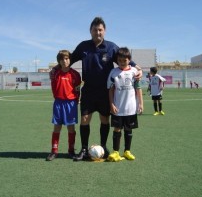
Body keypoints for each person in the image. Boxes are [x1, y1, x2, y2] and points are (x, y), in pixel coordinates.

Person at [50, 17, 142, 161]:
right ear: (90, 31)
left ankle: (104, 147)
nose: (97, 32)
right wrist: (55, 68)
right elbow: (69, 59)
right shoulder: (83, 46)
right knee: (85, 119)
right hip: (88, 91)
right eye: (95, 30)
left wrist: (138, 69)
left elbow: (125, 58)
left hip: (105, 92)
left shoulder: (111, 47)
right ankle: (84, 149)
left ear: (104, 31)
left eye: (100, 30)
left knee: (104, 119)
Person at [107, 47, 143, 162]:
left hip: (131, 108)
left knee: (128, 130)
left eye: (125, 60)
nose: (122, 63)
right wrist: (111, 104)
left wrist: (141, 104)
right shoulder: (113, 72)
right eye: (120, 61)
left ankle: (127, 151)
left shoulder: (134, 72)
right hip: (118, 107)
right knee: (117, 129)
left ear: (129, 60)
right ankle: (116, 152)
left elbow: (138, 88)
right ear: (117, 60)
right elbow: (111, 90)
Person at [46, 50, 81, 161]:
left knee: (71, 128)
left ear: (70, 60)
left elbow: (77, 89)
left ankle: (71, 151)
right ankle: (54, 151)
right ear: (59, 61)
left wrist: (77, 99)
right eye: (62, 59)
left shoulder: (75, 74)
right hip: (59, 103)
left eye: (66, 58)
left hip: (71, 103)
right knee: (57, 127)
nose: (65, 61)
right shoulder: (55, 73)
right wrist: (54, 69)